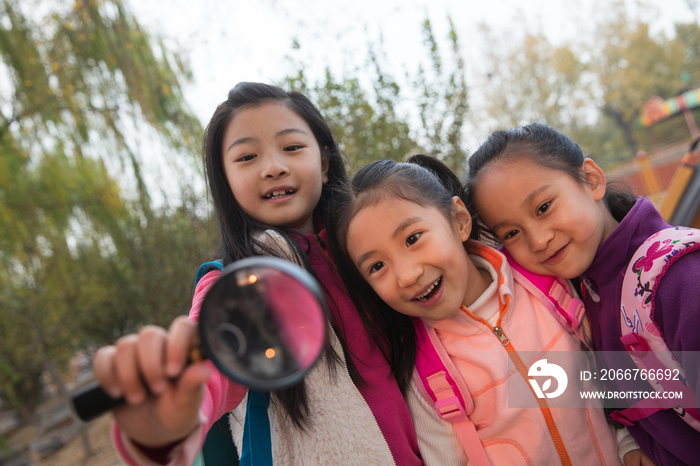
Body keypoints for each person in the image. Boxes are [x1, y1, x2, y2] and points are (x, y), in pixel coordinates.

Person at [91, 82, 424, 465]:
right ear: (225, 181)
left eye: (292, 147)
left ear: (325, 160)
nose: (273, 167)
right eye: (247, 157)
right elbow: (208, 380)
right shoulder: (233, 288)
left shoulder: (371, 252)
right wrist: (163, 426)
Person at [330, 155, 621, 465]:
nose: (406, 275)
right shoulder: (426, 370)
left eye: (413, 239)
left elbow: (608, 373)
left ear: (458, 220)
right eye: (377, 266)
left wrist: (627, 441)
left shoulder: (547, 286)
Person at [467, 122, 700, 466]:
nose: (538, 239)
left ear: (591, 179)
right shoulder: (579, 298)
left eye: (544, 207)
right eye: (513, 232)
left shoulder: (679, 278)